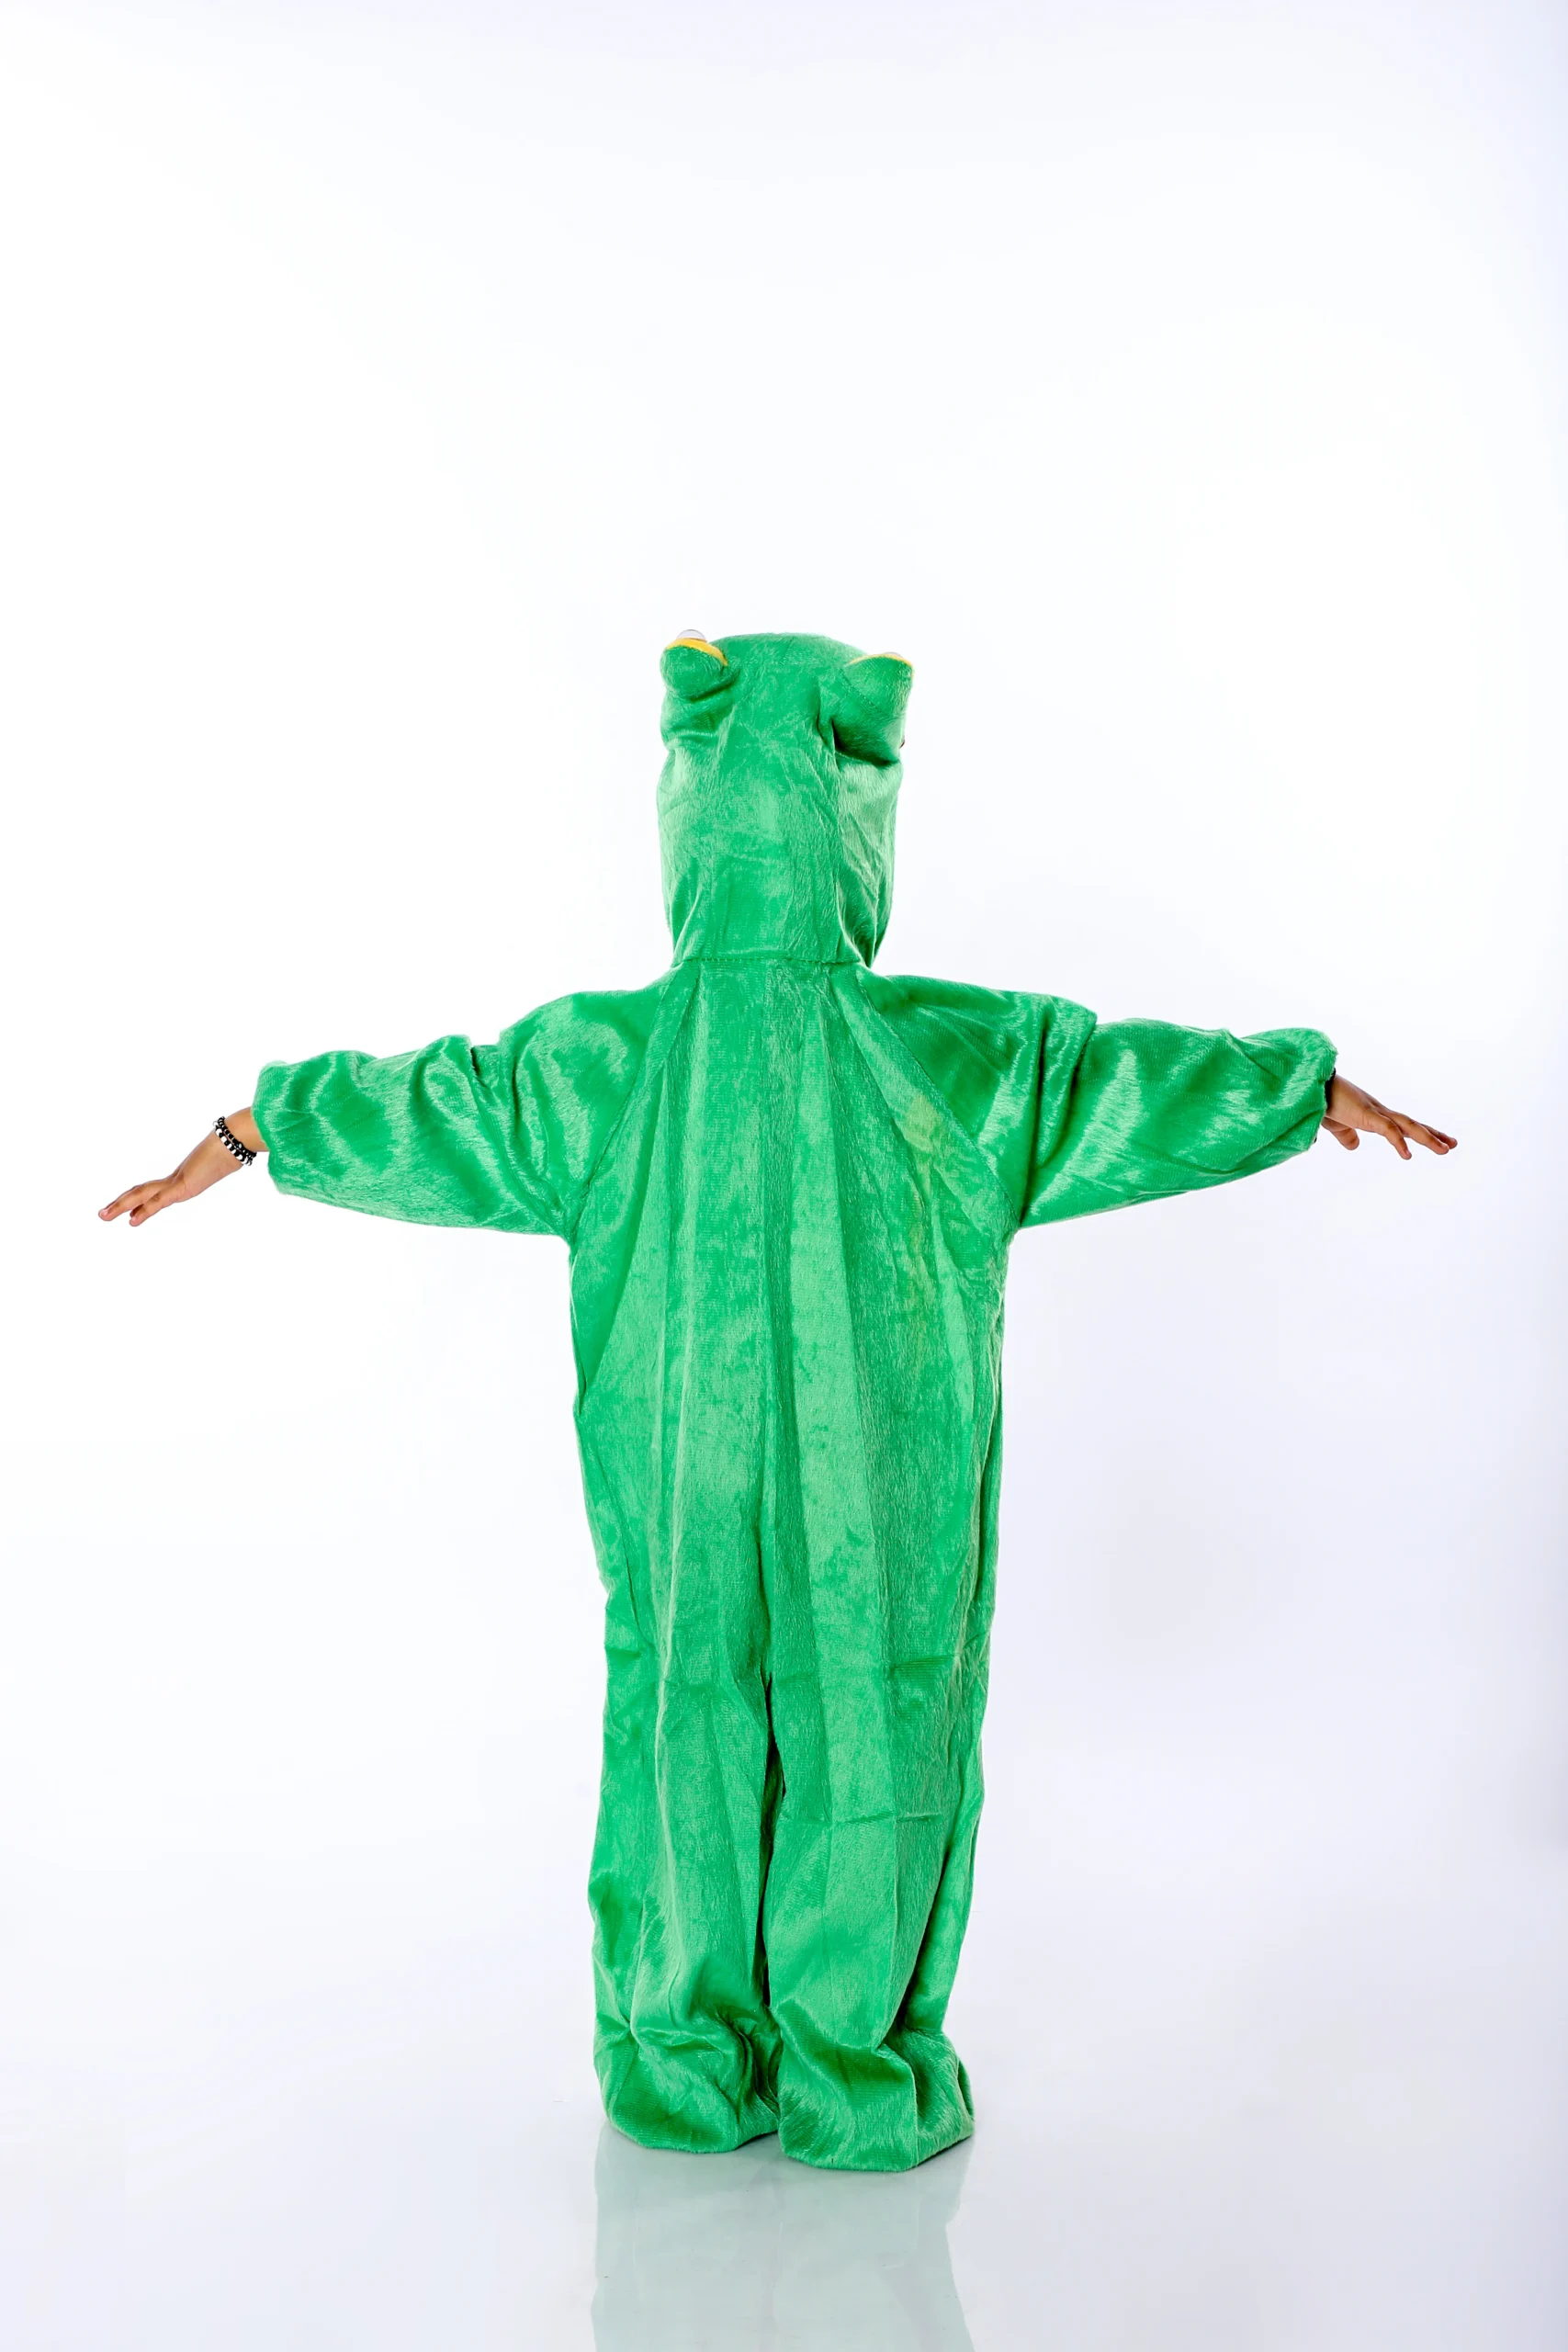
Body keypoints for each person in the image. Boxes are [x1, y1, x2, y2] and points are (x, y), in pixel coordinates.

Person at [100, 630, 1455, 2172]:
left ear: (684, 822)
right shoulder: (954, 1051)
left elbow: (422, 1100)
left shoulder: (599, 1060)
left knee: (682, 1714)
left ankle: (683, 2059)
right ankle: (848, 2068)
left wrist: (248, 1129)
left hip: (675, 1471)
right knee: (877, 1720)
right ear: (857, 824)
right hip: (886, 1476)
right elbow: (1116, 1079)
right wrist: (1293, 1087)